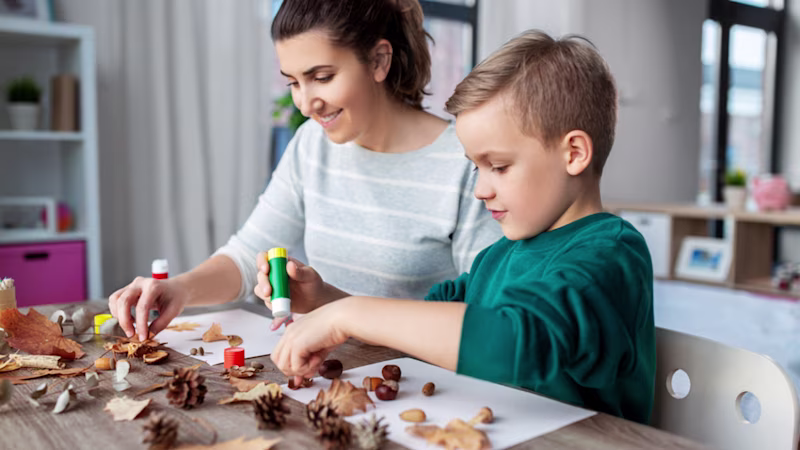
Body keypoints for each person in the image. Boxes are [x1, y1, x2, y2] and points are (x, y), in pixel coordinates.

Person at [265, 30, 656, 424]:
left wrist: (348, 315)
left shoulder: (609, 255)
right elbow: (419, 329)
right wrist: (325, 301)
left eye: (498, 166)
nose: (481, 190)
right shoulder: (499, 256)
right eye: (476, 168)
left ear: (573, 153)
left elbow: (515, 342)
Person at [108, 0, 501, 341]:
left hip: (424, 386)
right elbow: (247, 255)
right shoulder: (312, 144)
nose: (305, 103)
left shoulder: (465, 161)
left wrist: (336, 308)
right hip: (326, 371)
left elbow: (484, 320)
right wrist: (180, 289)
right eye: (294, 83)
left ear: (379, 60)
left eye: (322, 77)